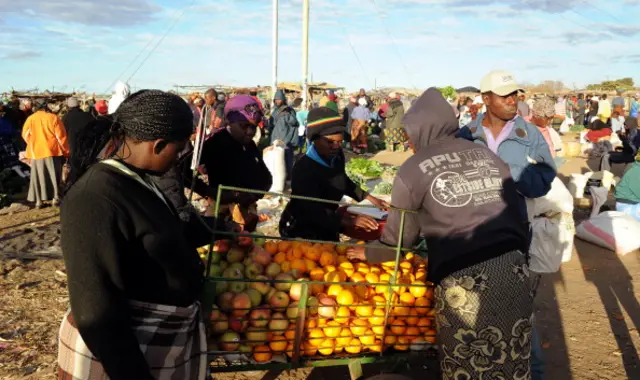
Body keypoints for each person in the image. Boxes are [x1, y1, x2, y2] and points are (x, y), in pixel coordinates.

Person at [346, 89, 531, 379]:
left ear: (422, 129)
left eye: (409, 134)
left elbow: (399, 241)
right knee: (511, 356)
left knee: (469, 360)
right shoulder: (487, 155)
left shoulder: (413, 169)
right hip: (515, 270)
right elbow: (519, 214)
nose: (409, 142)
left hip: (466, 280)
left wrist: (368, 252)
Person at [58, 90, 208, 380]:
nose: (178, 159)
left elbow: (160, 233)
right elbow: (95, 309)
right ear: (158, 145)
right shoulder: (94, 198)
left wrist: (216, 231)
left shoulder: (138, 181)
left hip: (156, 340)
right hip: (123, 356)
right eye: (177, 151)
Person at [279, 107, 387, 241]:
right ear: (315, 139)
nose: (336, 146)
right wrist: (349, 222)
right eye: (330, 142)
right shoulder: (303, 168)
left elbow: (342, 181)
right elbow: (311, 210)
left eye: (340, 141)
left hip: (329, 222)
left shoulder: (336, 156)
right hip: (302, 229)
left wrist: (369, 197)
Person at [458, 70, 556, 198]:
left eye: (514, 95)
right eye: (505, 96)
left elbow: (545, 178)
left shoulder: (530, 133)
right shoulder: (466, 134)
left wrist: (511, 172)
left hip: (514, 215)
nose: (512, 101)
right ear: (486, 99)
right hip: (477, 216)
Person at [200, 95, 272, 232]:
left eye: (254, 127)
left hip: (246, 211)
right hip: (221, 213)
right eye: (244, 126)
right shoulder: (215, 143)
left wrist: (256, 193)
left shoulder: (250, 146)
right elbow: (187, 174)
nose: (250, 132)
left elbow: (264, 175)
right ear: (229, 122)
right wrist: (210, 192)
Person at [22, 100, 70, 208]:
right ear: (46, 107)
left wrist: (32, 143)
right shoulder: (53, 117)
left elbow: (25, 135)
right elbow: (61, 137)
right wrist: (66, 151)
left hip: (35, 152)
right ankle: (55, 199)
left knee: (37, 177)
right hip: (52, 150)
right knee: (54, 175)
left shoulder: (30, 118)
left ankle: (39, 202)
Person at [269, 89, 299, 178]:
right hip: (275, 141)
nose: (278, 101)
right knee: (277, 164)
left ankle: (289, 180)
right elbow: (271, 125)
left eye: (279, 99)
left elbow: (295, 123)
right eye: (276, 99)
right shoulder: (274, 112)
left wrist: (287, 115)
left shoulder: (289, 110)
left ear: (283, 99)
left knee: (287, 161)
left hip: (286, 141)